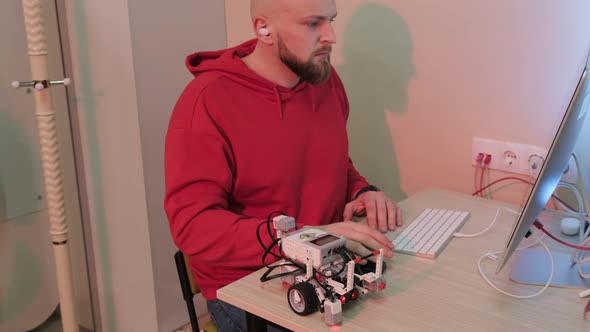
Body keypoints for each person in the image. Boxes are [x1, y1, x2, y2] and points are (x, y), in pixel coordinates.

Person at [164, 0, 403, 330]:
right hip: (249, 283)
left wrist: (363, 190)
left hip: (328, 259)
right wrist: (303, 238)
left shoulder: (325, 79)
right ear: (264, 29)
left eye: (330, 21)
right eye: (312, 24)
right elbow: (193, 226)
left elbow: (334, 160)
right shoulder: (207, 102)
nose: (331, 36)